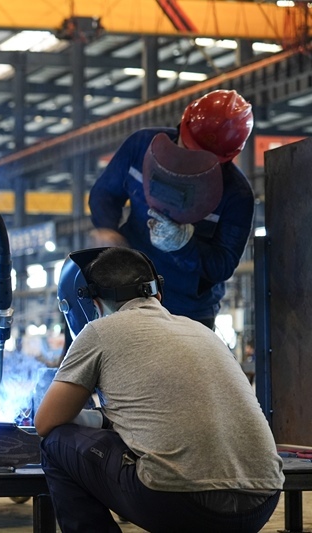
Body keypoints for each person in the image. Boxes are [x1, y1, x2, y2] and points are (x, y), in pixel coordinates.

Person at [34, 247, 283, 533]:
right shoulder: (202, 331)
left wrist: (81, 417)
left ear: (94, 303)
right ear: (157, 294)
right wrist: (101, 419)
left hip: (183, 505)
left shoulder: (99, 331)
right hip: (262, 502)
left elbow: (46, 422)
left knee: (56, 443)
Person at [89, 89, 255, 328]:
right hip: (127, 290)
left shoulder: (236, 195)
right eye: (188, 149)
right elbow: (105, 192)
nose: (189, 164)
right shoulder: (141, 146)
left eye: (203, 161)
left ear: (226, 158)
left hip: (188, 310)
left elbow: (223, 264)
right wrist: (107, 228)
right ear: (182, 126)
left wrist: (184, 246)